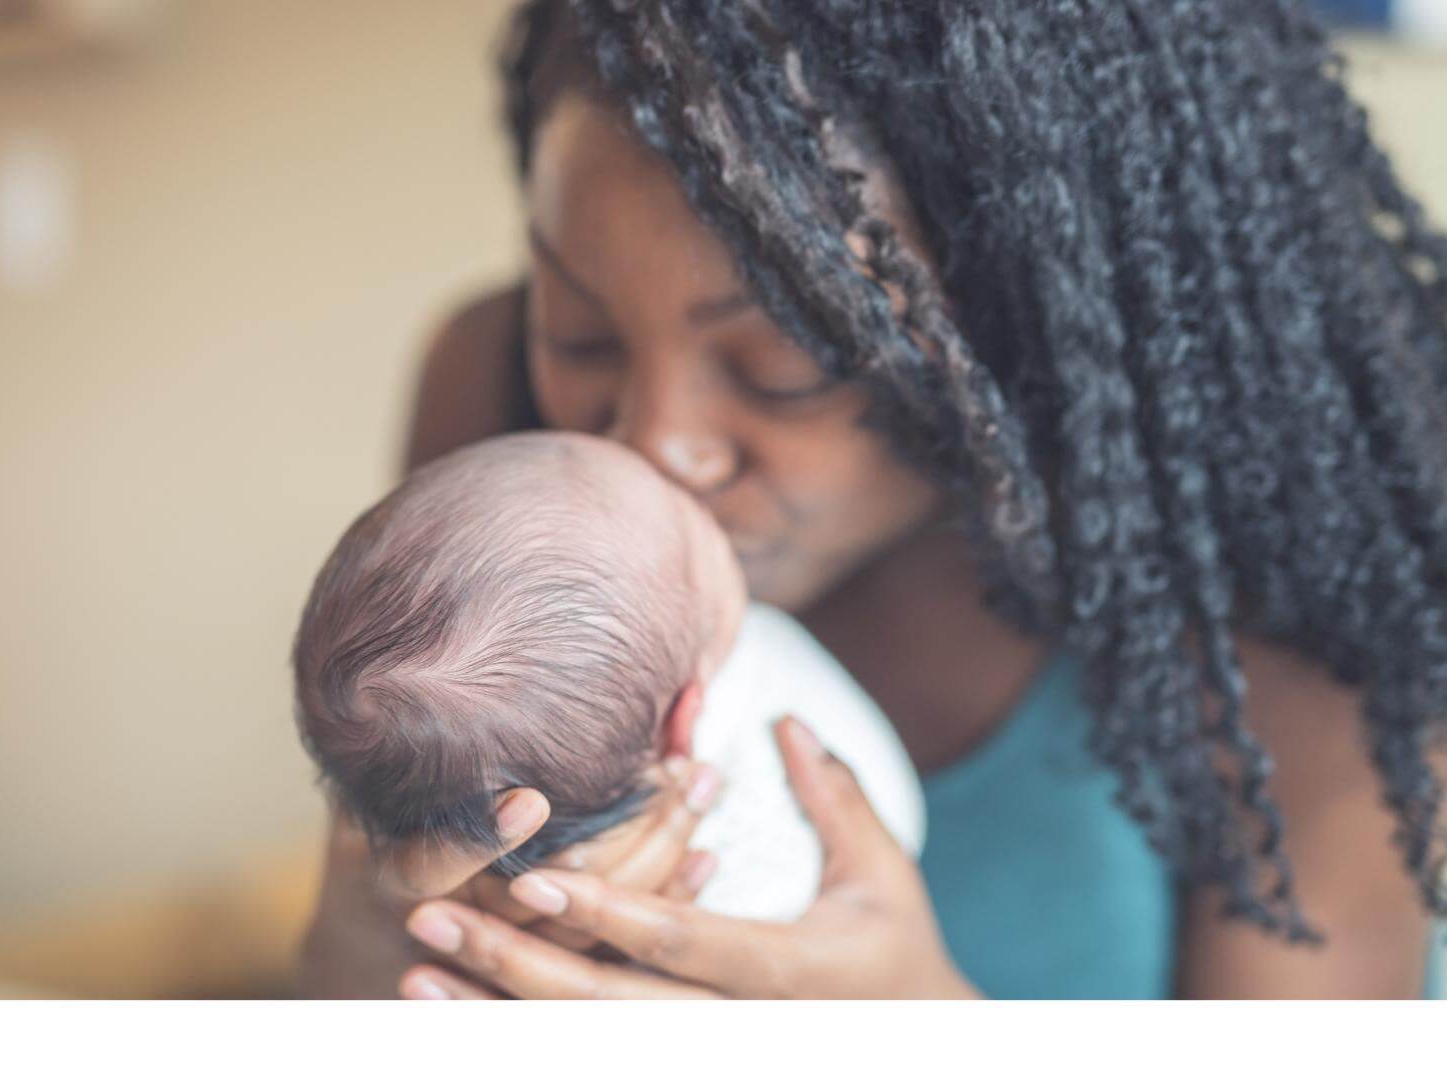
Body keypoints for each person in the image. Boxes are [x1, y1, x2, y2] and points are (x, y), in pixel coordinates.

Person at [298, 0, 1447, 998]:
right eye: (581, 330)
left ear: (1030, 329)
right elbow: (350, 994)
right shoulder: (498, 414)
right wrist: (377, 928)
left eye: (781, 369)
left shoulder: (1295, 634)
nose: (652, 443)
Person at [291, 431, 924, 925]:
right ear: (684, 722)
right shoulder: (769, 826)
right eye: (692, 530)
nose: (673, 469)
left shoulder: (473, 902)